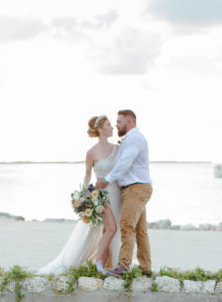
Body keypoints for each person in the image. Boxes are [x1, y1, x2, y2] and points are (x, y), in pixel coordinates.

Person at [36, 115, 122, 275]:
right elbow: (87, 175)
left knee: (110, 230)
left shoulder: (117, 148)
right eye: (109, 125)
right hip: (102, 195)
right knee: (111, 228)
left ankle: (108, 263)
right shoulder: (91, 153)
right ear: (100, 129)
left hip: (117, 193)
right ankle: (99, 265)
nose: (112, 128)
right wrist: (84, 197)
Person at [96, 109, 152, 277]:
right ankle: (145, 268)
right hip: (134, 189)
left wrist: (106, 180)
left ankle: (123, 266)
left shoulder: (135, 139)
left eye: (119, 122)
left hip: (137, 188)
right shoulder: (130, 139)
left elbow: (124, 164)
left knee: (127, 225)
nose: (116, 125)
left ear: (129, 122)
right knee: (140, 230)